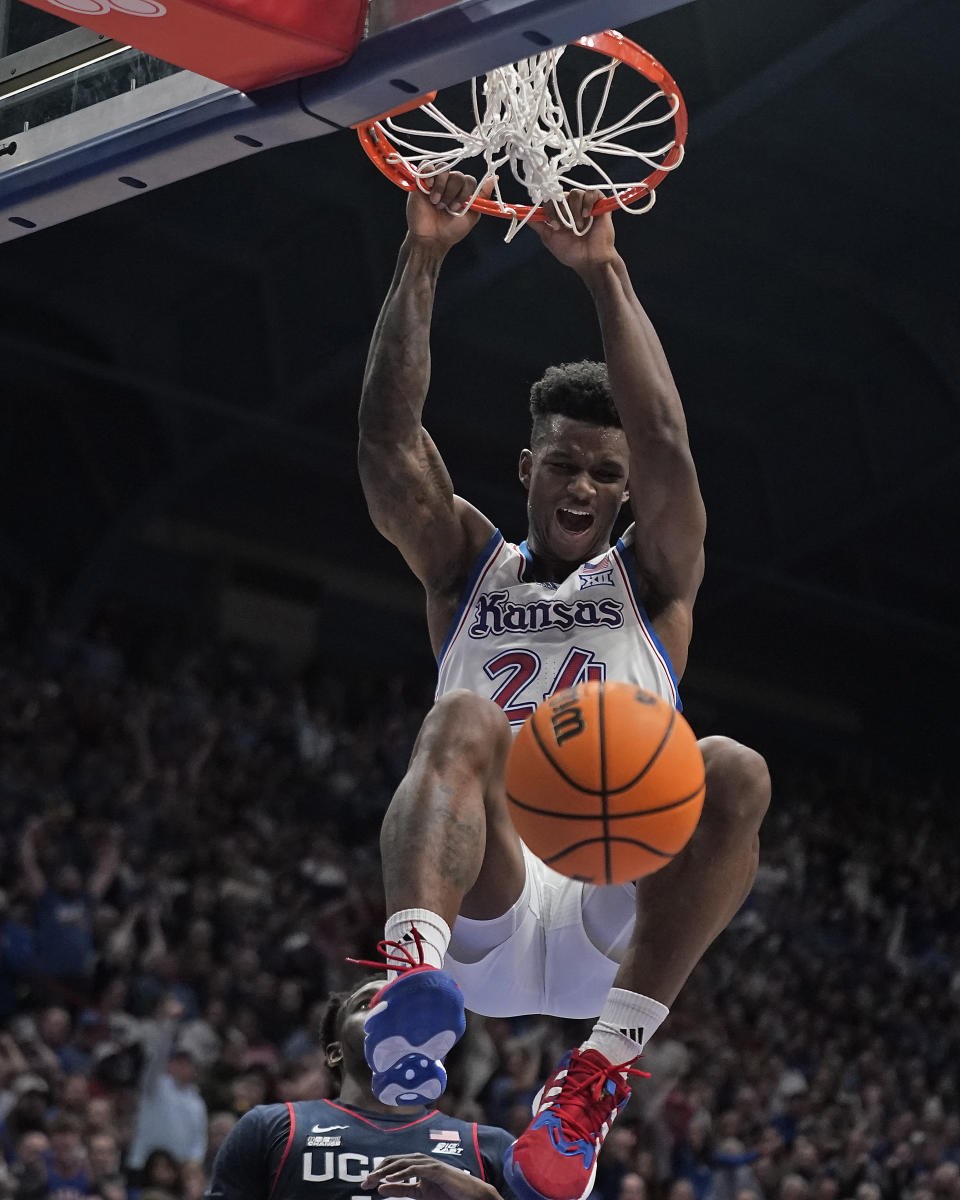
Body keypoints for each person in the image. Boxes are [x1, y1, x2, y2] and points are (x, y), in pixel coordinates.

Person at [356, 171, 772, 1200]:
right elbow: (385, 447)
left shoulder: (656, 576)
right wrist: (424, 252)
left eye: (602, 473)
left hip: (608, 907)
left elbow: (669, 445)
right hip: (485, 902)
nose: (581, 485)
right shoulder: (466, 565)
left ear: (624, 492)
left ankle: (599, 1074)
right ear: (527, 467)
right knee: (461, 714)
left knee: (734, 770)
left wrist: (604, 269)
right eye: (562, 465)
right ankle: (413, 984)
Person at [205, 977, 514, 1200]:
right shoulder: (268, 1127)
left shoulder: (490, 1146)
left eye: (402, 1008)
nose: (390, 1014)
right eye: (369, 1004)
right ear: (334, 1052)